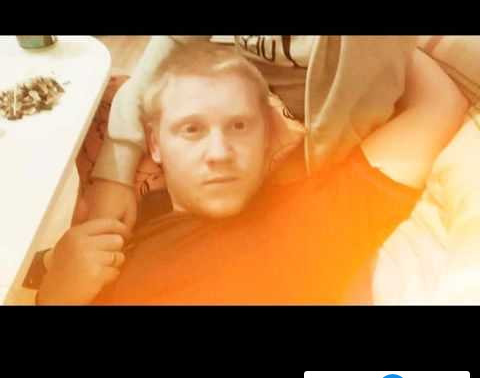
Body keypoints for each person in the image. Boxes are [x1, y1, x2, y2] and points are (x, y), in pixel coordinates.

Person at [35, 43, 468, 305]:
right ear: (155, 145)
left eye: (240, 126)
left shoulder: (312, 215)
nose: (219, 153)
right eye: (192, 130)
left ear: (269, 138)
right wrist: (56, 290)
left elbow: (438, 105)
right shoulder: (122, 230)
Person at [85, 36, 417, 232]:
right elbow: (168, 51)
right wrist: (113, 176)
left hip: (303, 135)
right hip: (238, 97)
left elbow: (349, 122)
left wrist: (290, 195)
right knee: (94, 117)